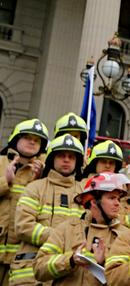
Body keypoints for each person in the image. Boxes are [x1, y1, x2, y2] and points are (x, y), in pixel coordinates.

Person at [11, 134, 85, 285]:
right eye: (61, 155)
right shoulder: (35, 188)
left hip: (70, 274)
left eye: (71, 157)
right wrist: (60, 239)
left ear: (77, 162)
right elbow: (23, 226)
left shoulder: (84, 193)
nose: (66, 160)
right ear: (51, 159)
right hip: (30, 274)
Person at [32, 173, 130, 285]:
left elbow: (128, 279)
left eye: (118, 199)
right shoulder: (67, 229)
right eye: (112, 198)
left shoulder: (126, 235)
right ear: (94, 202)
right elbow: (39, 268)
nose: (118, 203)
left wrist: (104, 263)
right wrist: (70, 260)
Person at [0, 119, 49, 285]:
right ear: (16, 139)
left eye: (37, 140)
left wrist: (40, 181)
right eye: (27, 137)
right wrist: (5, 181)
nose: (32, 141)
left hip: (19, 260)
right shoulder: (0, 163)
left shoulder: (43, 173)